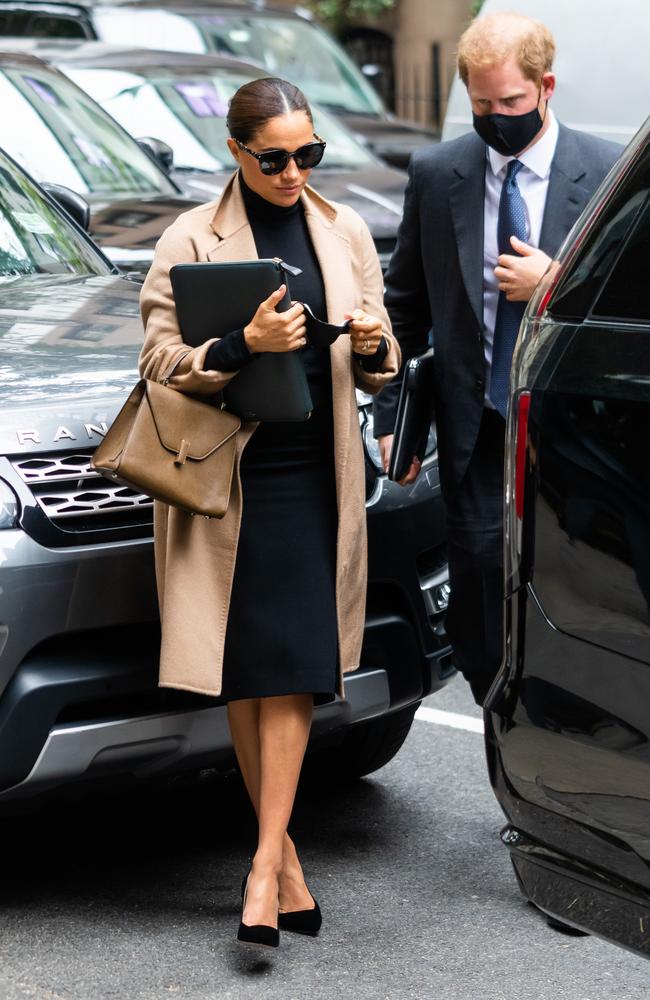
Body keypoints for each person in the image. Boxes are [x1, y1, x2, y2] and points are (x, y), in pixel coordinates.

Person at [138, 77, 400, 948]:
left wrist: (372, 346)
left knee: (292, 663)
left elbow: (384, 356)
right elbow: (160, 365)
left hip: (316, 477)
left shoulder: (344, 228)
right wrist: (242, 344)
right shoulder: (190, 238)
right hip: (232, 482)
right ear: (237, 152)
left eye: (308, 154)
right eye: (276, 158)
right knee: (251, 671)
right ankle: (280, 860)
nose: (295, 172)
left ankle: (261, 862)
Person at [373, 11, 621, 706]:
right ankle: (497, 721)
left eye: (510, 103)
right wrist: (394, 416)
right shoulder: (438, 172)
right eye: (480, 105)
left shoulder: (606, 172)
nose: (495, 117)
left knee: (575, 593)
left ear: (545, 88)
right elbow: (404, 308)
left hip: (576, 430)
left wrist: (556, 287)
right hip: (476, 425)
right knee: (480, 596)